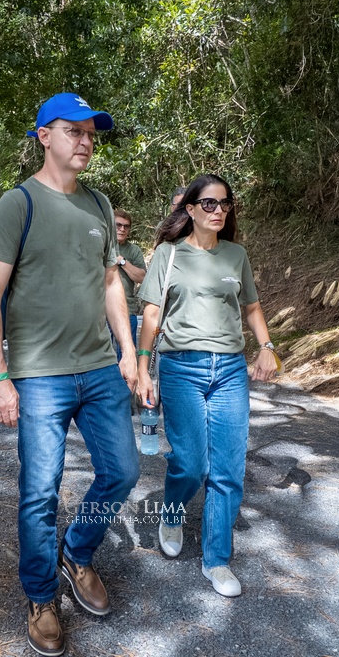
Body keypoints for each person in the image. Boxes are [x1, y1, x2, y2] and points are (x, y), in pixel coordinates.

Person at [0, 92, 139, 657]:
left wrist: (130, 352)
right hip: (39, 376)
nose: (86, 141)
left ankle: (78, 551)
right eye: (74, 131)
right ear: (43, 136)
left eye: (92, 133)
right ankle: (41, 597)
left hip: (98, 368)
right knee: (38, 493)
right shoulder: (17, 204)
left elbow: (111, 282)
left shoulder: (99, 203)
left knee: (122, 470)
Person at [137, 173, 277, 598]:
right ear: (191, 209)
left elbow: (251, 306)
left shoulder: (236, 255)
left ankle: (216, 560)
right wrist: (143, 368)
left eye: (225, 203)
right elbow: (151, 314)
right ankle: (173, 513)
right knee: (192, 463)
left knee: (229, 469)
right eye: (209, 203)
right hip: (181, 367)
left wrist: (266, 345)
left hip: (231, 369)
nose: (219, 210)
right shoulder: (168, 253)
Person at [114, 209, 146, 354]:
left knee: (128, 355)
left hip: (127, 310)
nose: (122, 229)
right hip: (100, 312)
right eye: (118, 225)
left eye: (126, 226)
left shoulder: (134, 251)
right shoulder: (99, 245)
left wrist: (122, 261)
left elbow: (142, 277)